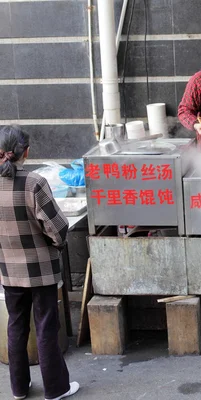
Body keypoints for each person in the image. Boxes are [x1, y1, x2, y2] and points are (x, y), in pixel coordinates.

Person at [0, 126, 79, 400]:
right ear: (27, 151)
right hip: (41, 270)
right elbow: (58, 228)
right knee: (46, 326)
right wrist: (56, 245)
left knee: (16, 325)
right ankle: (56, 389)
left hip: (9, 271)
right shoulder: (34, 182)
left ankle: (19, 389)